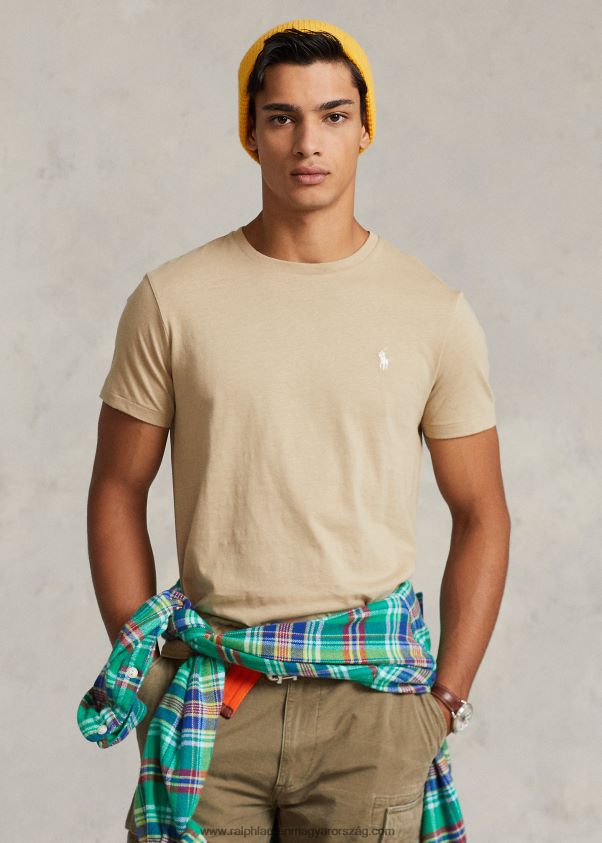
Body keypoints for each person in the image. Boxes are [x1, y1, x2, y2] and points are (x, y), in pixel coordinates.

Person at [87, 19, 510, 843]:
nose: (307, 142)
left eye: (333, 115)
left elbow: (483, 511)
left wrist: (442, 702)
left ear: (365, 129)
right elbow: (116, 487)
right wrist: (147, 678)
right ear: (250, 133)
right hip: (211, 699)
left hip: (370, 716)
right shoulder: (172, 300)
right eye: (281, 117)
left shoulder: (433, 312)